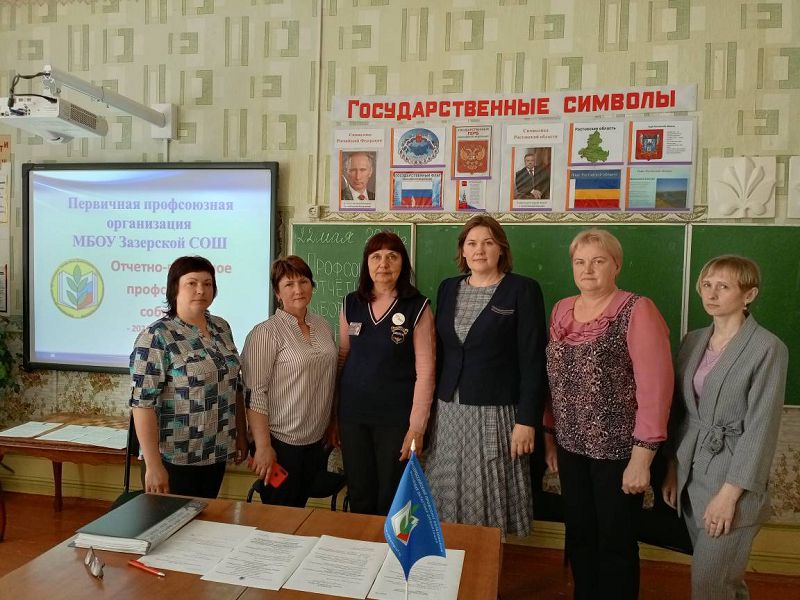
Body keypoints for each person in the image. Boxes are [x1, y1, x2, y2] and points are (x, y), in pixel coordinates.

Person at [543, 228, 673, 600]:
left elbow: (656, 387)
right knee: (579, 535)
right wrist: (550, 437)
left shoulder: (637, 309)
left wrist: (642, 459)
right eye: (579, 262)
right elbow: (553, 380)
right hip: (571, 447)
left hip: (619, 453)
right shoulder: (561, 309)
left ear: (616, 265)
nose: (587, 269)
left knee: (615, 541)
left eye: (598, 261)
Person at [662, 256, 787, 600]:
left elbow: (761, 428)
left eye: (724, 286)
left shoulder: (768, 348)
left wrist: (729, 496)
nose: (711, 293)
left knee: (710, 584)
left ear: (749, 295)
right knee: (722, 583)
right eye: (706, 285)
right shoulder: (693, 341)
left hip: (733, 481)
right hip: (691, 475)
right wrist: (672, 466)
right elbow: (680, 412)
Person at [426, 215, 548, 538]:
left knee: (488, 493)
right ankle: (452, 559)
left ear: (501, 249)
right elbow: (443, 352)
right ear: (463, 251)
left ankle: (486, 563)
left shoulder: (522, 289)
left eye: (488, 243)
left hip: (496, 413)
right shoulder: (448, 288)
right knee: (447, 489)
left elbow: (534, 361)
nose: (479, 250)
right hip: (449, 412)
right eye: (472, 243)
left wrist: (527, 420)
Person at [129, 255, 247, 498]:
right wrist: (153, 465)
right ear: (175, 288)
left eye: (207, 283)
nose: (201, 290)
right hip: (174, 458)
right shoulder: (156, 336)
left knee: (206, 519)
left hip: (216, 452)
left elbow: (234, 385)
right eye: (191, 283)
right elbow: (142, 405)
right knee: (171, 521)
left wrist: (241, 435)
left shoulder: (221, 328)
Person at [337, 230, 435, 515]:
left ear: (403, 264)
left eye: (392, 256)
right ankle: (360, 545)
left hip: (396, 420)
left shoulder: (417, 307)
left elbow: (426, 371)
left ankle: (386, 547)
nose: (384, 263)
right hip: (353, 417)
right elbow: (342, 358)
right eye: (376, 257)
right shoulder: (351, 303)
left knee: (391, 498)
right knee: (359, 494)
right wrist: (333, 415)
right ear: (366, 264)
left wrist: (417, 427)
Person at [241, 256, 338, 508]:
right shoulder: (265, 333)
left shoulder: (323, 326)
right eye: (289, 284)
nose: (298, 290)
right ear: (277, 292)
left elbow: (330, 379)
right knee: (279, 517)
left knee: (299, 510)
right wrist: (263, 446)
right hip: (280, 444)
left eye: (303, 282)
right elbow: (254, 393)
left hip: (316, 442)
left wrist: (332, 423)